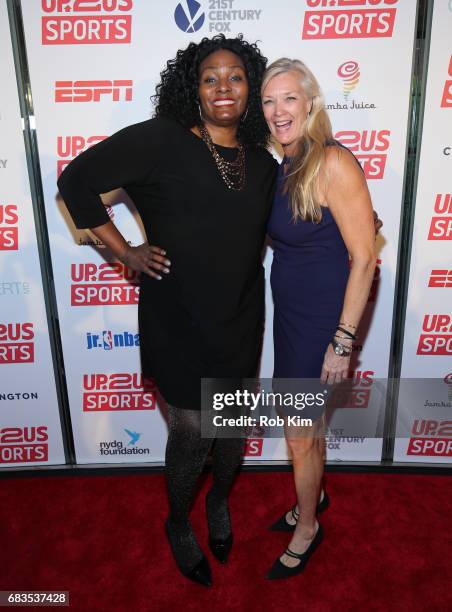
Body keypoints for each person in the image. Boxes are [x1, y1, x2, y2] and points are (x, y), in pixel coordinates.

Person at [57, 35, 278, 587]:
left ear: (251, 88)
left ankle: (219, 501)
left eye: (236, 76)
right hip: (177, 316)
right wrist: (125, 250)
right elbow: (75, 182)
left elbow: (287, 223)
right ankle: (179, 522)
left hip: (241, 315)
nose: (223, 86)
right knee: (191, 430)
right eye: (210, 77)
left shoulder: (263, 161)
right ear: (192, 88)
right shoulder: (159, 141)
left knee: (232, 431)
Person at [261, 58, 377, 579]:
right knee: (305, 427)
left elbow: (366, 256)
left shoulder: (332, 161)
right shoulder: (287, 162)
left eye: (288, 98)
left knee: (300, 432)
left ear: (310, 103)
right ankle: (316, 495)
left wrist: (343, 339)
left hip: (322, 324)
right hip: (290, 317)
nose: (278, 110)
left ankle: (308, 526)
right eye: (268, 100)